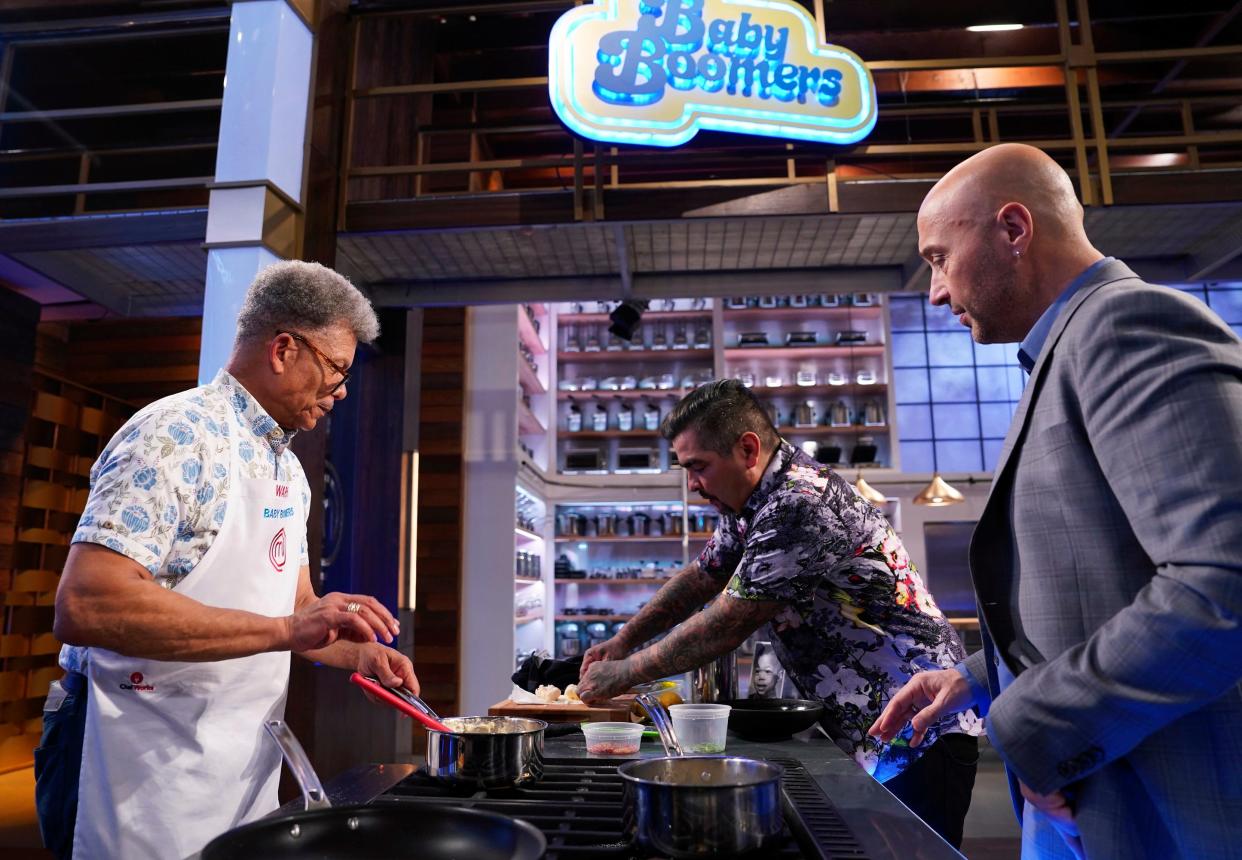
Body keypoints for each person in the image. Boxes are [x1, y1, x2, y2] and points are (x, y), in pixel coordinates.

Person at [869, 143, 1242, 860]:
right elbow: (1093, 577)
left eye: (940, 258)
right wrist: (980, 676)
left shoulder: (1127, 327)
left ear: (1013, 230)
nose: (936, 291)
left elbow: (1220, 583)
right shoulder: (1065, 351)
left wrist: (1030, 722)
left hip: (1168, 800)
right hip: (1099, 788)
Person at [35, 261, 420, 860]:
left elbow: (290, 609)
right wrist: (290, 627)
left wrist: (354, 651)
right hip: (134, 759)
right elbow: (87, 603)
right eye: (338, 368)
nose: (342, 389)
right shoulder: (173, 434)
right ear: (284, 348)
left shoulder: (288, 469)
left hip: (238, 765)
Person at [578, 379, 982, 848]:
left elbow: (727, 623)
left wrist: (623, 673)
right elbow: (704, 576)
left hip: (919, 726)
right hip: (874, 724)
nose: (692, 485)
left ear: (748, 449)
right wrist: (624, 639)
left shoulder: (798, 503)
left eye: (698, 467)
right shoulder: (754, 503)